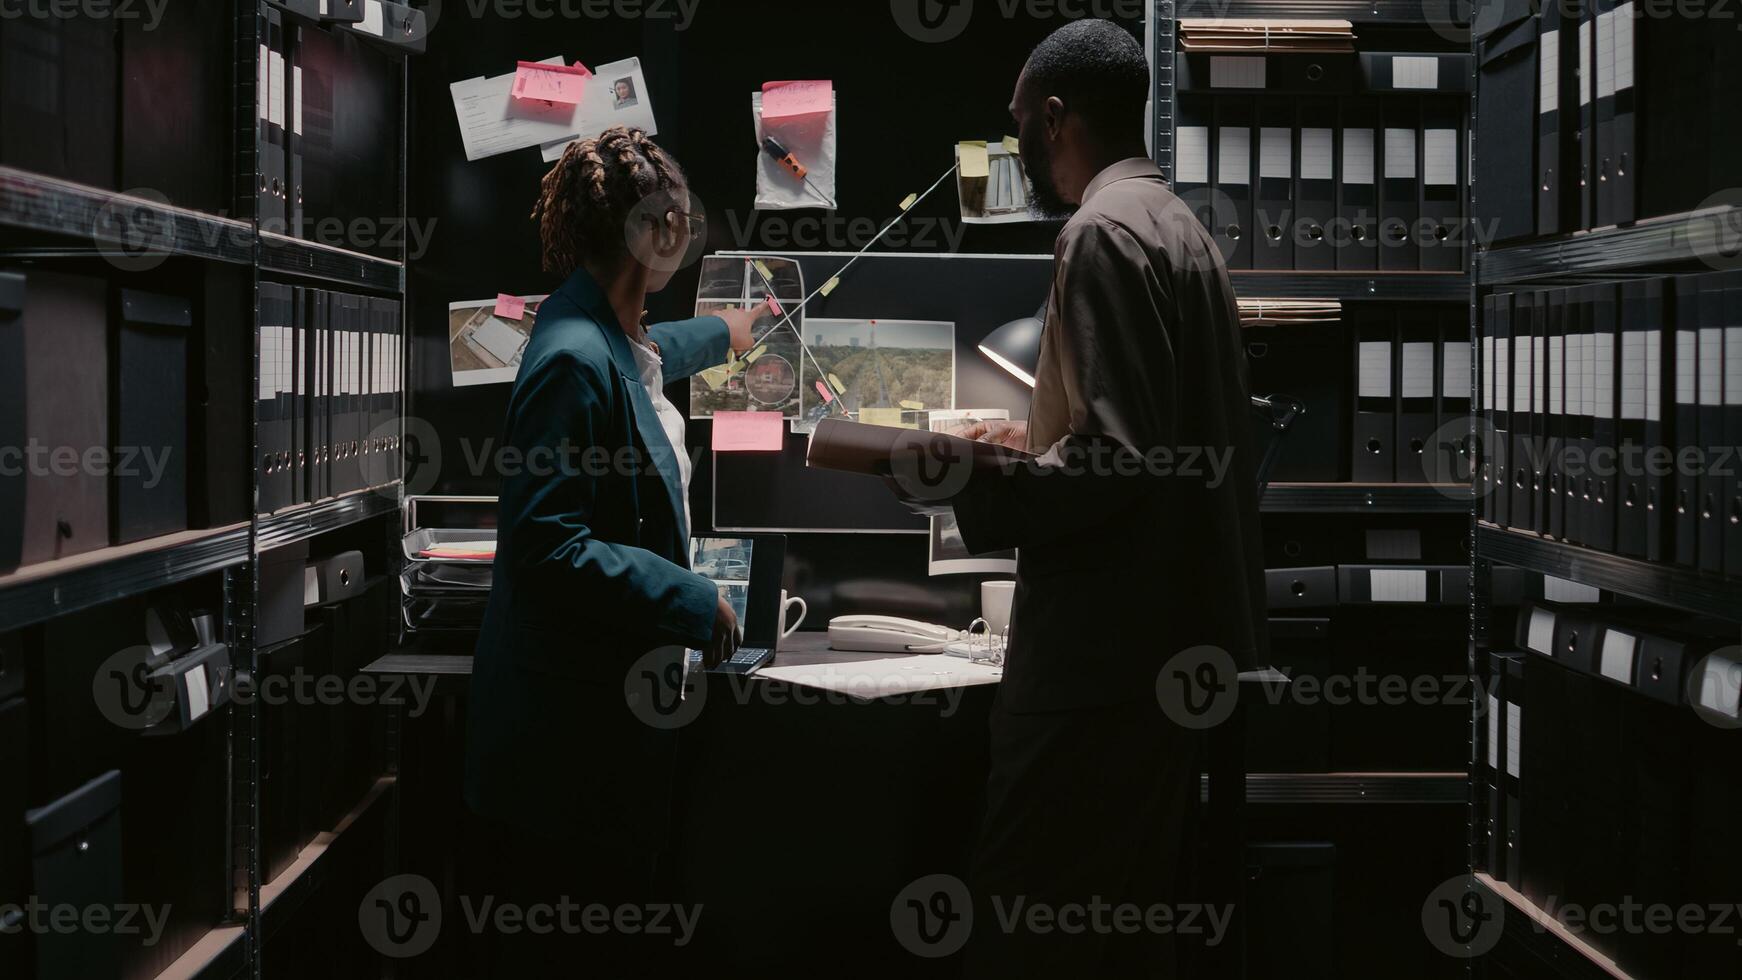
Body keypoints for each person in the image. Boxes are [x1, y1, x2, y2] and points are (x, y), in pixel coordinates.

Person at [941, 20, 1268, 977]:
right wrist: (1033, 442)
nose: (1020, 149)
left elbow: (1117, 461)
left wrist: (975, 478)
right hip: (1157, 662)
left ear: (1055, 117)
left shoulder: (1099, 232)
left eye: (1019, 127)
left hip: (1094, 673)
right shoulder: (1177, 225)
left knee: (1031, 928)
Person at [464, 125, 768, 977]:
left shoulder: (600, 327)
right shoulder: (570, 361)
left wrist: (730, 331)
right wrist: (687, 595)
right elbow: (546, 549)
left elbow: (651, 354)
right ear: (653, 237)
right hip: (565, 760)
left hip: (594, 736)